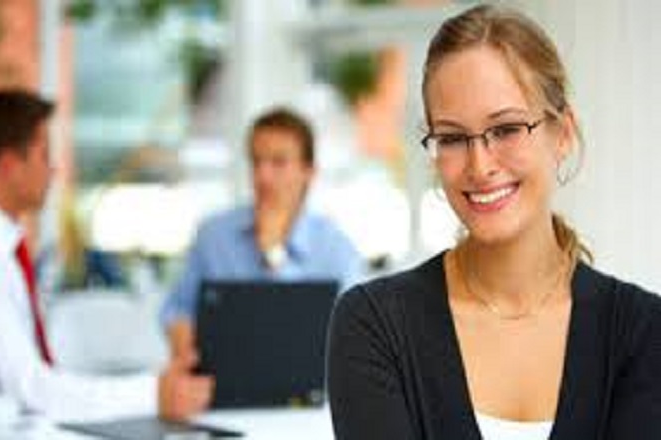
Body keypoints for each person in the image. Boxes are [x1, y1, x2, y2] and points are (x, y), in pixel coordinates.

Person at [327, 4, 661, 440]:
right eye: (452, 138)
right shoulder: (376, 325)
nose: (480, 166)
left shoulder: (643, 332)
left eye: (505, 129)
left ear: (562, 134)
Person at [0, 89, 213, 423]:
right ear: (8, 165)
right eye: (44, 155)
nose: (53, 169)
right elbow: (31, 387)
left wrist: (151, 390)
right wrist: (152, 393)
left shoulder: (0, 247)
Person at [160, 107, 365, 359]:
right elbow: (176, 309)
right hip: (222, 379)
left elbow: (348, 340)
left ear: (308, 172)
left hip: (306, 383)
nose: (262, 176)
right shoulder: (213, 235)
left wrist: (273, 253)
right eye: (256, 161)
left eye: (278, 162)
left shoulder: (337, 249)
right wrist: (182, 341)